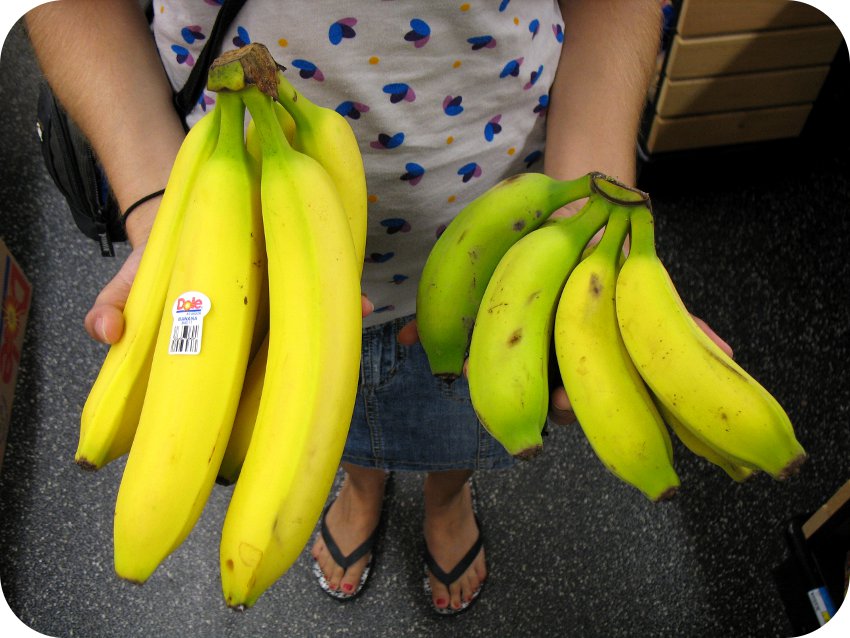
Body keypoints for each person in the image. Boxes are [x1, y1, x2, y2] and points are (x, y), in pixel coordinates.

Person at [26, 0, 731, 616]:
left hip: (495, 243)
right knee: (326, 416)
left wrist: (586, 214)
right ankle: (362, 490)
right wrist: (161, 210)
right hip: (250, 242)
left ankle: (447, 498)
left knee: (471, 414)